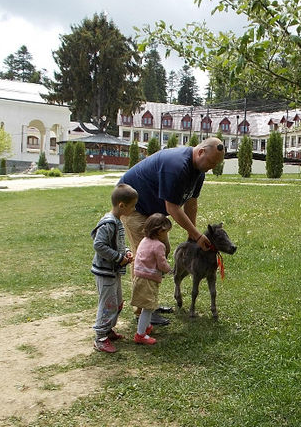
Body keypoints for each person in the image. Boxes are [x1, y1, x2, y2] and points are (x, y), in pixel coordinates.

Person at [119, 137, 226, 325]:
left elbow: (191, 203)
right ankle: (142, 312)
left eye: (215, 164)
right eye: (210, 162)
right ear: (200, 152)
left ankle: (149, 303)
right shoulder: (177, 165)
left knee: (162, 250)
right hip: (133, 207)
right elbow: (173, 208)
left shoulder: (199, 172)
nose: (211, 167)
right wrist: (197, 235)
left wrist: (191, 237)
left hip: (153, 214)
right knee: (145, 257)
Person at [90, 183, 138, 353]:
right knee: (108, 304)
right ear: (122, 205)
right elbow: (99, 245)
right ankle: (100, 337)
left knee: (117, 303)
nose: (134, 209)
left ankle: (108, 330)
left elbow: (118, 243)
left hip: (113, 271)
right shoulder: (109, 223)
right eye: (132, 206)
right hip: (105, 272)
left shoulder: (117, 221)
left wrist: (125, 252)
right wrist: (119, 258)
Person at [131, 214, 173, 345]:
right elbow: (162, 264)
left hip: (139, 277)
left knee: (146, 305)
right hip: (148, 280)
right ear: (160, 231)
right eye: (166, 232)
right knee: (148, 307)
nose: (166, 235)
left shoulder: (144, 240)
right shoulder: (158, 245)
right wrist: (170, 270)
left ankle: (146, 326)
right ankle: (140, 334)